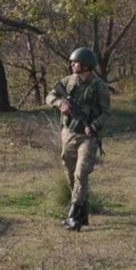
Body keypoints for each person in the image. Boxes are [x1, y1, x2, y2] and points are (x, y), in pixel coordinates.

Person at [45, 47, 109, 232]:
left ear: (86, 65)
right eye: (72, 62)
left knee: (81, 173)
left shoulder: (99, 86)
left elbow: (107, 112)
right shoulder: (68, 81)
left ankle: (73, 216)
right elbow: (50, 95)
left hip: (88, 137)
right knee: (69, 170)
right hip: (69, 133)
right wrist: (60, 104)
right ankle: (82, 210)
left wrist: (94, 126)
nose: (72, 64)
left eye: (76, 62)